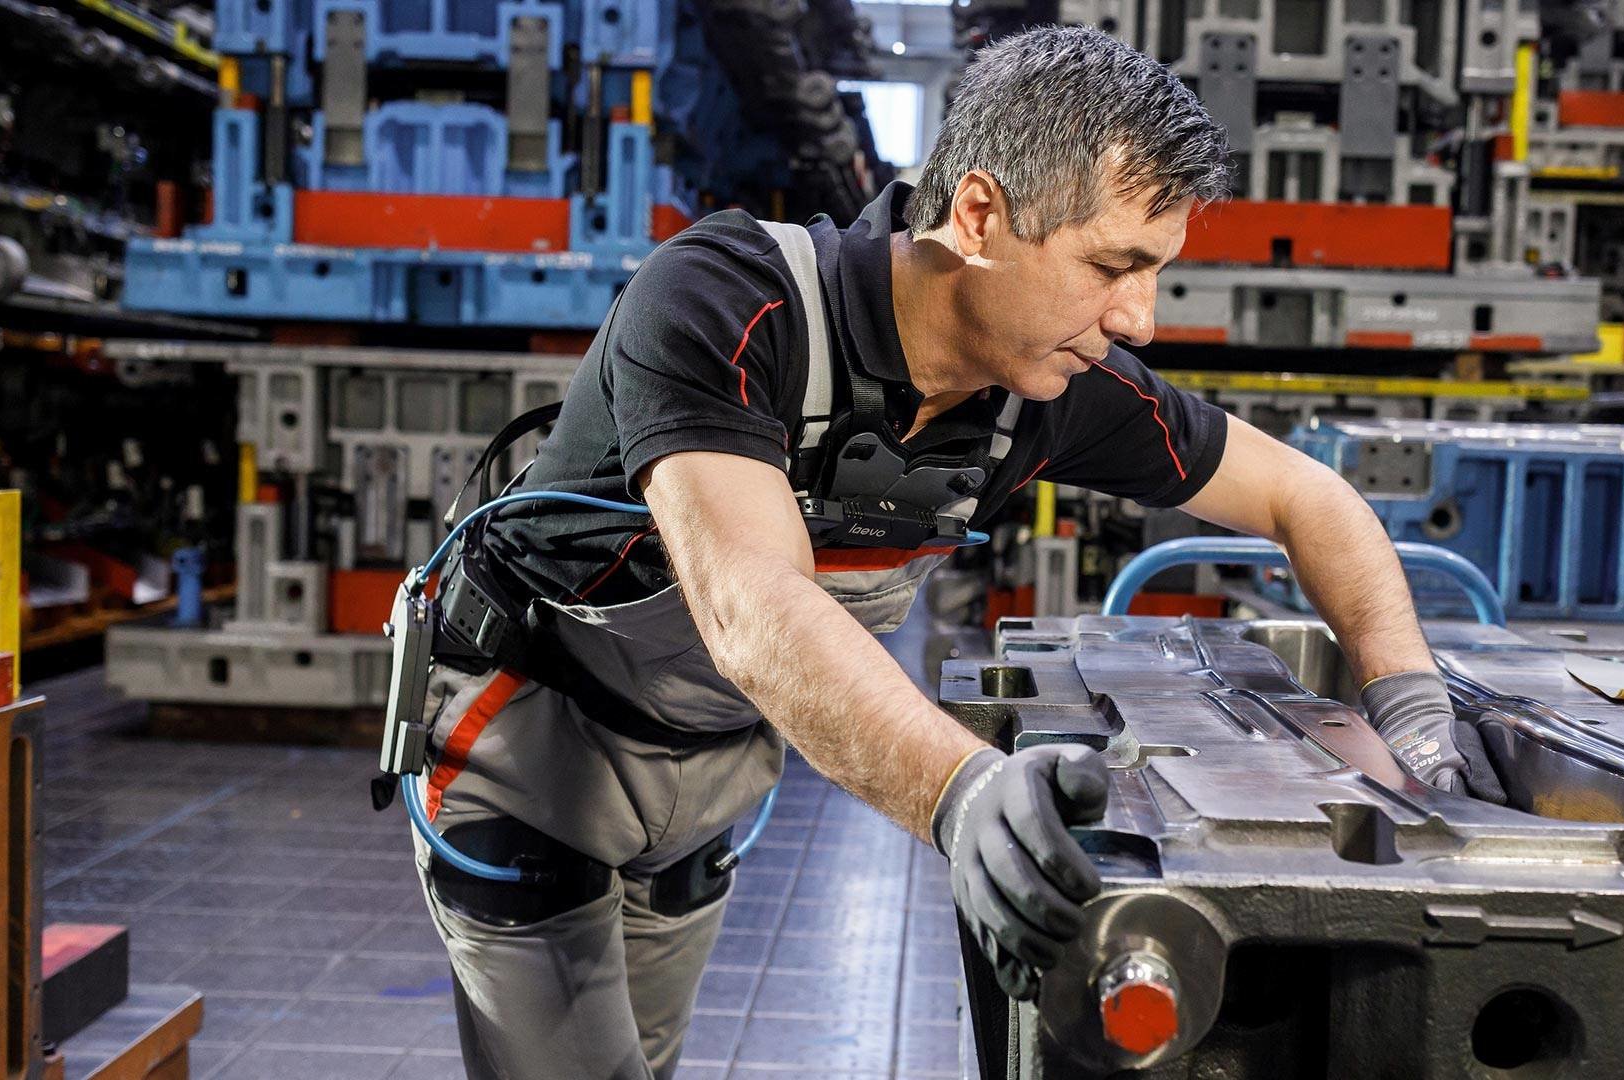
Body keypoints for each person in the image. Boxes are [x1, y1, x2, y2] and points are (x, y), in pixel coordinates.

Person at [408, 25, 1492, 1079]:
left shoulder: (1048, 389)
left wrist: (1413, 713)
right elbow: (748, 600)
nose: (1141, 319)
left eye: (1155, 270)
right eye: (1113, 264)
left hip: (701, 781)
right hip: (532, 750)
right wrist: (963, 794)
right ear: (978, 215)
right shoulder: (729, 301)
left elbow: (1310, 497)